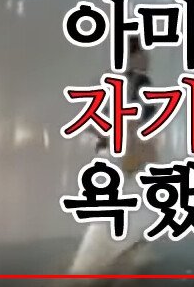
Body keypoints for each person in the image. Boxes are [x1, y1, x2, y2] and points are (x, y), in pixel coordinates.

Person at [69, 37, 161, 274]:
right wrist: (139, 156)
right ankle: (100, 267)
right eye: (141, 52)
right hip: (126, 161)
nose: (147, 58)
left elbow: (97, 125)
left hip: (112, 158)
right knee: (124, 222)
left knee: (111, 223)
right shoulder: (137, 84)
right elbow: (134, 125)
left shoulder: (111, 85)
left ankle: (94, 267)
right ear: (132, 57)